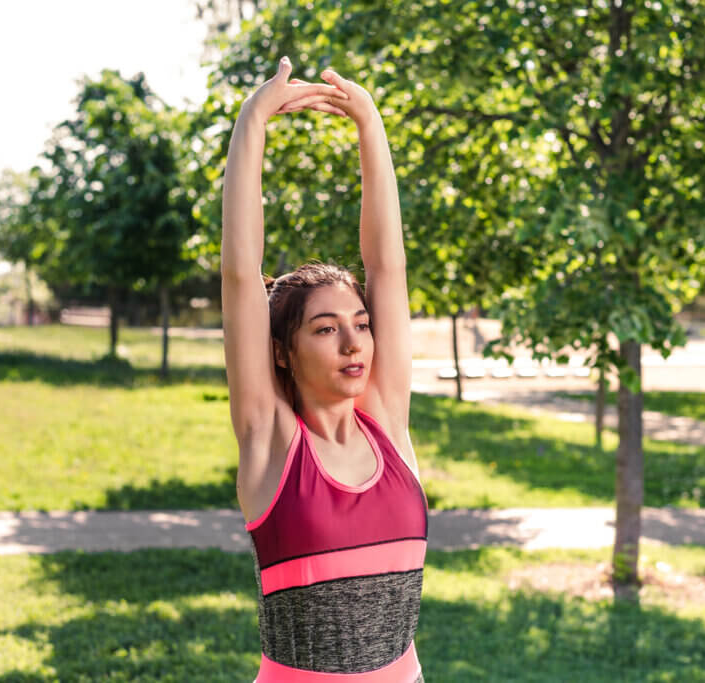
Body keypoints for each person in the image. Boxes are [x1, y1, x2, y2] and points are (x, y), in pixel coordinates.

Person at [221, 56, 427, 682]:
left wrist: (370, 124)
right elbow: (238, 273)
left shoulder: (387, 420)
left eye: (360, 325)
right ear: (282, 349)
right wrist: (252, 120)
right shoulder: (272, 439)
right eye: (325, 328)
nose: (353, 344)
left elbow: (387, 267)